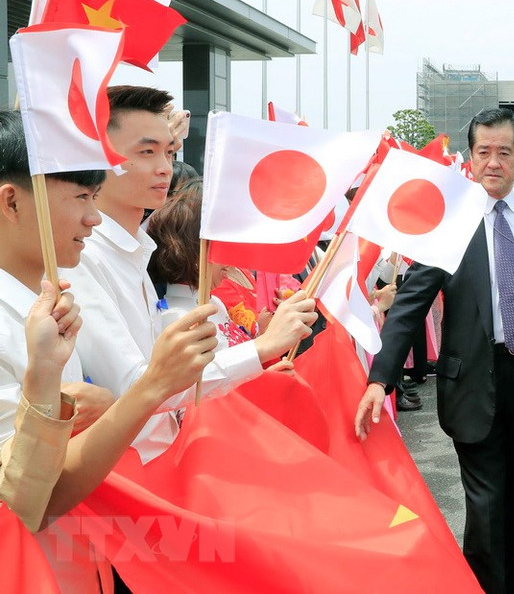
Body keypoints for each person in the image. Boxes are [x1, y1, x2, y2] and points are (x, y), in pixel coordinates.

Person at [355, 108, 514, 593]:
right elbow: (408, 305)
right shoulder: (449, 220)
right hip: (473, 383)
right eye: (483, 152)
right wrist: (379, 377)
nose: (493, 162)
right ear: (470, 156)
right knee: (486, 511)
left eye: (504, 152)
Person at [0, 109, 219, 590]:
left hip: (76, 556)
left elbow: (59, 483)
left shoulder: (45, 303)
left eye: (94, 196)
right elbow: (24, 500)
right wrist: (150, 387)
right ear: (12, 203)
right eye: (81, 196)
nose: (92, 217)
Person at [63, 86, 315, 466]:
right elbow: (138, 385)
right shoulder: (83, 256)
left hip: (168, 457)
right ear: (98, 158)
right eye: (146, 152)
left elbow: (159, 381)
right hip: (131, 472)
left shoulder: (133, 252)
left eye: (169, 152)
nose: (164, 167)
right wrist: (260, 349)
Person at [145, 179, 318, 369]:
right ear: (195, 255)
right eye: (221, 249)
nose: (229, 260)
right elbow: (205, 388)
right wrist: (266, 344)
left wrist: (263, 334)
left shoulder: (212, 304)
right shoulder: (179, 319)